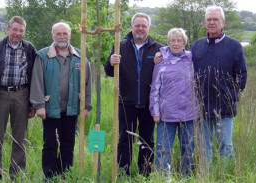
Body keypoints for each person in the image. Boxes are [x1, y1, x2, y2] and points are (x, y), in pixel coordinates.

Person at [30, 22, 92, 180]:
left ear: (70, 35)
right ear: (53, 36)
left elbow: (88, 83)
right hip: (50, 108)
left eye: (65, 33)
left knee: (68, 144)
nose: (62, 36)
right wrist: (39, 105)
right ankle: (49, 176)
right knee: (50, 144)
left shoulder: (80, 55)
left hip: (71, 108)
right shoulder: (43, 55)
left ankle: (64, 174)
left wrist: (86, 106)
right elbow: (36, 82)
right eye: (58, 34)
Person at [104, 13, 163, 176]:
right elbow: (108, 71)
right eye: (137, 25)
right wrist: (111, 62)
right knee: (124, 140)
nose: (140, 29)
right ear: (131, 27)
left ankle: (145, 173)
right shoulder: (120, 45)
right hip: (126, 101)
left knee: (147, 141)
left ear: (148, 28)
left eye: (144, 26)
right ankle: (124, 173)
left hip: (148, 103)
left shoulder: (158, 48)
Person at [191, 6, 247, 163]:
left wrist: (231, 96)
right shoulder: (196, 46)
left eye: (215, 19)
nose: (211, 22)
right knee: (204, 146)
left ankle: (226, 175)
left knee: (225, 145)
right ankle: (206, 176)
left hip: (225, 106)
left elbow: (241, 75)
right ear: (204, 22)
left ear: (223, 22)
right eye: (208, 19)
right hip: (201, 105)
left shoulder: (235, 46)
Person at [0, 16, 36, 180]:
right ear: (8, 30)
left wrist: (33, 103)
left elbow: (34, 77)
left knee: (20, 138)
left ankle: (17, 174)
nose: (17, 33)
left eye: (21, 31)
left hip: (22, 95)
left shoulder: (29, 48)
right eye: (15, 29)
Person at [149, 28, 199, 177]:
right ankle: (162, 177)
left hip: (189, 113)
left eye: (179, 40)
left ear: (184, 42)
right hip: (166, 114)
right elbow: (154, 88)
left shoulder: (192, 59)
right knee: (163, 148)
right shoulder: (161, 59)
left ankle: (186, 177)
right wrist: (155, 110)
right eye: (173, 40)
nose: (176, 43)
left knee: (188, 148)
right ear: (169, 42)